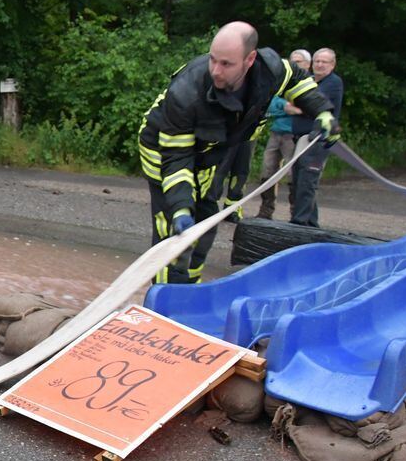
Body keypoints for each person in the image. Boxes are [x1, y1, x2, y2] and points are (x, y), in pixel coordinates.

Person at [138, 22, 338, 284]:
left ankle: (192, 288)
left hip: (209, 153)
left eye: (226, 64)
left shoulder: (269, 69)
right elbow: (176, 160)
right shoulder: (186, 94)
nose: (216, 71)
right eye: (213, 60)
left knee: (205, 221)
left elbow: (298, 83)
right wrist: (179, 208)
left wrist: (322, 112)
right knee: (174, 236)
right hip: (161, 150)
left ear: (250, 59)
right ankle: (165, 298)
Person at [287, 47, 345, 226]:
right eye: (317, 61)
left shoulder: (333, 83)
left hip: (318, 141)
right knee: (298, 182)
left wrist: (300, 106)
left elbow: (311, 105)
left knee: (307, 182)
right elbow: (294, 103)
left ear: (332, 65)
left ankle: (299, 223)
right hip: (301, 139)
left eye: (324, 62)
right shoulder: (310, 81)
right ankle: (311, 225)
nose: (319, 65)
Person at [256, 48, 311, 219]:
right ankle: (266, 211)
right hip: (276, 131)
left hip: (294, 136)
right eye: (291, 61)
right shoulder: (283, 82)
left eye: (298, 61)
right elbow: (271, 103)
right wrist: (286, 107)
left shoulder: (309, 84)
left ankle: (296, 213)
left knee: (293, 175)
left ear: (307, 65)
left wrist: (294, 108)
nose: (294, 64)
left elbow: (306, 108)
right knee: (267, 172)